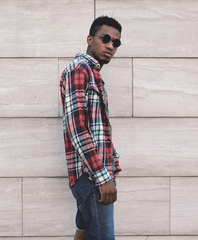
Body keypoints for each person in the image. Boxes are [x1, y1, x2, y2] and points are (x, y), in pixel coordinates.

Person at [59, 16, 122, 240]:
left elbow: (98, 128)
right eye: (105, 39)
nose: (110, 46)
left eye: (116, 43)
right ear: (89, 39)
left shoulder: (93, 73)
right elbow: (76, 128)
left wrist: (112, 162)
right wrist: (103, 177)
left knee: (84, 233)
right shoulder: (80, 69)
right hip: (92, 176)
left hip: (96, 173)